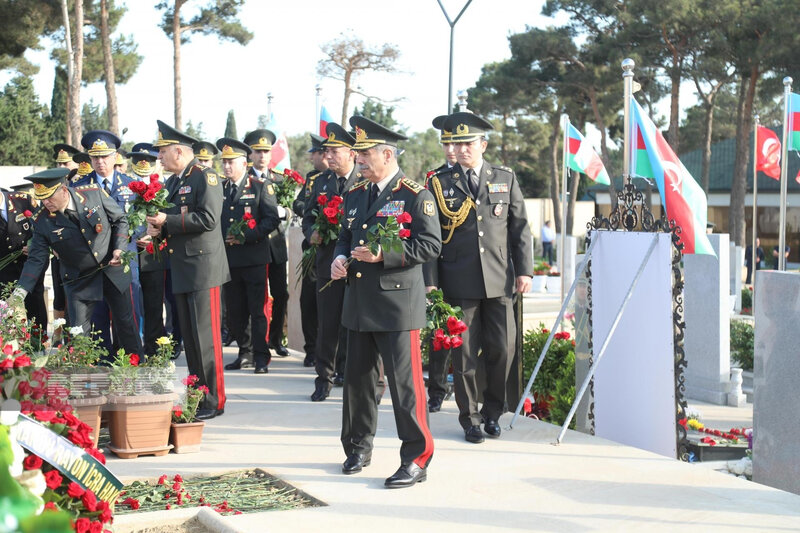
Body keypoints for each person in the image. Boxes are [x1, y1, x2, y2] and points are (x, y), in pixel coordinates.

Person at [331, 116, 440, 488]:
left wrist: (383, 253)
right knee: (357, 383)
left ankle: (416, 458)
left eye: (364, 155)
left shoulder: (415, 194)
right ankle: (358, 447)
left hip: (396, 307)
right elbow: (345, 236)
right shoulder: (356, 193)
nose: (358, 160)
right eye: (358, 155)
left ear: (387, 154)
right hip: (359, 303)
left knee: (405, 388)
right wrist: (338, 258)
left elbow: (429, 245)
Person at [424, 111, 533, 444]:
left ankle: (492, 412)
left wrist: (525, 269)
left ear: (483, 144)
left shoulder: (505, 177)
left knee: (504, 348)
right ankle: (470, 418)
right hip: (458, 280)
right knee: (465, 355)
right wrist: (431, 281)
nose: (462, 149)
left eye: (468, 142)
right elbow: (430, 235)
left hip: (500, 279)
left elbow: (519, 228)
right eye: (457, 143)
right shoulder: (439, 182)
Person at [145, 120, 230, 420]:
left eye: (162, 152)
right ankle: (198, 394)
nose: (159, 158)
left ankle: (215, 400)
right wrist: (157, 231)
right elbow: (171, 220)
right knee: (192, 341)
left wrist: (166, 222)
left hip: (203, 269)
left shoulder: (205, 178)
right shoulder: (174, 182)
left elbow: (208, 219)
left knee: (207, 340)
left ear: (179, 152)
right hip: (182, 268)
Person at [11, 168, 142, 357]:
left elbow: (120, 220)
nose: (46, 203)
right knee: (78, 334)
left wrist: (119, 248)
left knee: (126, 326)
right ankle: (85, 379)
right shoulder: (41, 219)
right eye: (42, 198)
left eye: (49, 197)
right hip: (79, 279)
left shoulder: (92, 193)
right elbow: (36, 258)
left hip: (111, 269)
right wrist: (20, 291)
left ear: (64, 190)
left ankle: (137, 372)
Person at [303, 123, 361, 402]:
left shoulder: (365, 178)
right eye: (327, 151)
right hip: (328, 262)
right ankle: (323, 378)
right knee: (327, 324)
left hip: (359, 265)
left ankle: (346, 371)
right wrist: (310, 232)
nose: (330, 156)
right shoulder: (320, 181)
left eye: (335, 151)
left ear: (351, 153)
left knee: (352, 324)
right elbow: (308, 216)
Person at [72, 130, 142, 357]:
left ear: (115, 157)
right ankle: (103, 363)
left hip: (123, 262)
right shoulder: (79, 187)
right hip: (94, 263)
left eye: (105, 156)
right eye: (95, 157)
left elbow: (140, 221)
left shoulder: (132, 186)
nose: (100, 162)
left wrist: (129, 239)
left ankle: (130, 363)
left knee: (127, 318)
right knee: (98, 317)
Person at [217, 138, 280, 374]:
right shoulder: (220, 189)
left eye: (231, 162)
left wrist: (247, 235)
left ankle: (261, 355)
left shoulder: (260, 187)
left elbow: (271, 219)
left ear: (244, 163)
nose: (226, 167)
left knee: (257, 309)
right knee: (235, 310)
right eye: (223, 163)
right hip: (230, 259)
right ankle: (244, 353)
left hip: (253, 257)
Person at [244, 129, 290, 358]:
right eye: (258, 151)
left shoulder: (280, 181)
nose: (262, 156)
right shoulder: (244, 181)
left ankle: (275, 339)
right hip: (253, 247)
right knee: (256, 297)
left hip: (276, 246)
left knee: (281, 293)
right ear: (250, 154)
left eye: (266, 151)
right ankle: (254, 343)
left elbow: (292, 208)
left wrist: (286, 211)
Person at [426, 114, 457, 414]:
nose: (450, 149)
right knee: (438, 333)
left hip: (475, 270)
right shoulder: (434, 180)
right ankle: (437, 389)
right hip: (443, 266)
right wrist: (429, 277)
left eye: (455, 142)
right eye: (445, 143)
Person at [293, 133, 328, 368]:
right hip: (313, 248)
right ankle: (311, 349)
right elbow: (300, 204)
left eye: (314, 153)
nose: (312, 158)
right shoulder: (313, 178)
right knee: (308, 301)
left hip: (334, 252)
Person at [0, 188, 47, 331]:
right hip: (4, 268)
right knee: (6, 308)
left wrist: (33, 244)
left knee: (35, 302)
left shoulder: (22, 200)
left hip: (29, 263)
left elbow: (44, 225)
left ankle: (39, 342)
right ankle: (10, 346)